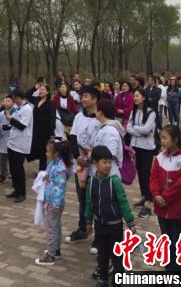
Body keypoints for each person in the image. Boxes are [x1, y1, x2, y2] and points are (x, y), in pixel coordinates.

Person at [84, 146, 136, 287]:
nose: (108, 165)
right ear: (95, 163)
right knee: (102, 254)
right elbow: (89, 203)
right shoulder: (91, 182)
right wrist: (88, 222)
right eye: (104, 162)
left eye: (109, 162)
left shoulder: (115, 181)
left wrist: (130, 221)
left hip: (115, 226)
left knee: (117, 255)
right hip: (99, 225)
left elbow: (123, 202)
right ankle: (103, 279)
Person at [149, 125, 181, 272]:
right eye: (161, 138)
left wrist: (165, 197)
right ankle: (169, 268)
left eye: (164, 138)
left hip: (177, 210)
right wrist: (156, 194)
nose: (161, 141)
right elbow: (153, 178)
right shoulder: (159, 158)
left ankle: (177, 271)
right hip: (161, 209)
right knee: (166, 239)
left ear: (175, 140)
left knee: (177, 241)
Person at [66, 85, 101, 244]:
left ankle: (99, 236)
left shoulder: (101, 118)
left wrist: (91, 157)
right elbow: (72, 138)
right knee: (82, 199)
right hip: (80, 166)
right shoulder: (79, 116)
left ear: (95, 99)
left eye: (86, 96)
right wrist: (77, 157)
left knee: (96, 200)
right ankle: (83, 229)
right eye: (82, 96)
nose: (82, 99)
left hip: (95, 167)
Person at [35, 140, 72, 266]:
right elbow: (52, 179)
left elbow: (59, 187)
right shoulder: (55, 164)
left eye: (48, 151)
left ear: (56, 153)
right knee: (55, 225)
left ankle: (50, 255)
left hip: (54, 202)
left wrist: (55, 203)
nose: (46, 153)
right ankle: (56, 250)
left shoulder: (59, 168)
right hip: (52, 201)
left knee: (51, 227)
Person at [127, 89, 156, 219]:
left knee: (146, 174)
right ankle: (145, 196)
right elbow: (128, 128)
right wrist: (140, 132)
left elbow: (147, 129)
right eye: (134, 96)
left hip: (147, 148)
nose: (135, 98)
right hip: (135, 146)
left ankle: (149, 202)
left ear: (144, 97)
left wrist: (136, 129)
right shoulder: (133, 111)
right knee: (140, 173)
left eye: (137, 96)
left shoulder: (151, 113)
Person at [6, 89, 33, 203]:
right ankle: (16, 190)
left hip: (21, 144)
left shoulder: (27, 109)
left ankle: (22, 193)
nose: (13, 101)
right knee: (13, 168)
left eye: (14, 99)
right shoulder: (18, 108)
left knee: (18, 169)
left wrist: (11, 120)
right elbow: (12, 123)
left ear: (18, 97)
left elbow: (22, 126)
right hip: (12, 142)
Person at [92, 99, 125, 179]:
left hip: (108, 176)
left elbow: (110, 154)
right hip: (103, 174)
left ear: (100, 112)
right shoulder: (105, 128)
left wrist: (92, 153)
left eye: (96, 109)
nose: (94, 112)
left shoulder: (110, 131)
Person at [27, 85, 56, 172]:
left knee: (43, 152)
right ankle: (40, 170)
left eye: (43, 90)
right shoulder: (36, 100)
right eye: (40, 90)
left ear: (47, 92)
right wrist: (34, 87)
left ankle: (42, 172)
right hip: (35, 129)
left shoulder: (51, 104)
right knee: (35, 149)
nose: (41, 91)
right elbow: (27, 95)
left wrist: (52, 133)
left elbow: (52, 119)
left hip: (45, 131)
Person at [0, 96, 13, 185]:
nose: (6, 102)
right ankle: (2, 175)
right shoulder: (1, 114)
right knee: (3, 159)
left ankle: (13, 175)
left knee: (13, 159)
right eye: (5, 101)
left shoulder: (16, 113)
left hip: (14, 140)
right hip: (3, 139)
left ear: (13, 103)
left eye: (8, 101)